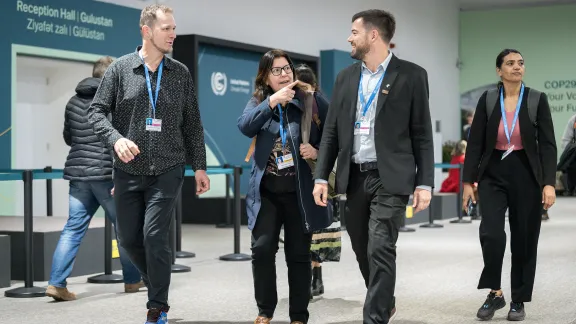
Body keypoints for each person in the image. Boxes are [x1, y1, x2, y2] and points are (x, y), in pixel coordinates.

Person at [87, 4, 210, 324]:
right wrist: (115, 139)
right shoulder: (120, 69)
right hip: (127, 170)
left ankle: (157, 306)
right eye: (166, 28)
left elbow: (193, 124)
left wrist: (200, 166)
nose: (173, 33)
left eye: (173, 28)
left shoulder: (179, 73)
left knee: (154, 235)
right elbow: (96, 112)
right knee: (128, 239)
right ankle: (156, 282)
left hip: (168, 169)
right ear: (146, 30)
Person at [313, 9, 434, 324]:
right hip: (353, 176)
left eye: (354, 31)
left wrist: (425, 183)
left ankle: (375, 317)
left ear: (373, 35)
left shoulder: (412, 75)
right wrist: (321, 178)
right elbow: (330, 133)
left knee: (381, 245)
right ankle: (384, 298)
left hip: (389, 177)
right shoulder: (345, 77)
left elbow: (422, 134)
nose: (349, 37)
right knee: (362, 246)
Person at [238, 50, 332, 324]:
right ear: (265, 77)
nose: (284, 74)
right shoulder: (259, 101)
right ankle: (265, 311)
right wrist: (270, 103)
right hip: (266, 193)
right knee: (262, 250)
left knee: (298, 255)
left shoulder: (311, 101)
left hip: (299, 193)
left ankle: (299, 316)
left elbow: (334, 135)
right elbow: (244, 126)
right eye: (276, 70)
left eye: (287, 68)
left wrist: (316, 152)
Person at [462, 48, 557, 321]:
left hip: (527, 173)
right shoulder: (489, 98)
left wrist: (548, 183)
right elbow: (476, 143)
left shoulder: (537, 99)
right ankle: (495, 293)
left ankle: (518, 299)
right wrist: (468, 181)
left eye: (521, 63)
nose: (517, 67)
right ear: (499, 70)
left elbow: (548, 146)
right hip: (493, 172)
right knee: (491, 233)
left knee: (524, 238)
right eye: (510, 63)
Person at [45, 57, 143, 302]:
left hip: (79, 174)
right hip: (106, 175)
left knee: (73, 229)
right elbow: (120, 143)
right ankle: (132, 281)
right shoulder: (113, 102)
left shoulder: (72, 101)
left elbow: (69, 137)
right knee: (125, 229)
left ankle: (56, 284)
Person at [294, 64, 341, 299]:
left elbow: (335, 137)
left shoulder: (321, 104)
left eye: (304, 87)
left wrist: (316, 150)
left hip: (317, 176)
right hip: (292, 176)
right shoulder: (286, 102)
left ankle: (316, 276)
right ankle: (307, 278)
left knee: (315, 229)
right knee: (298, 232)